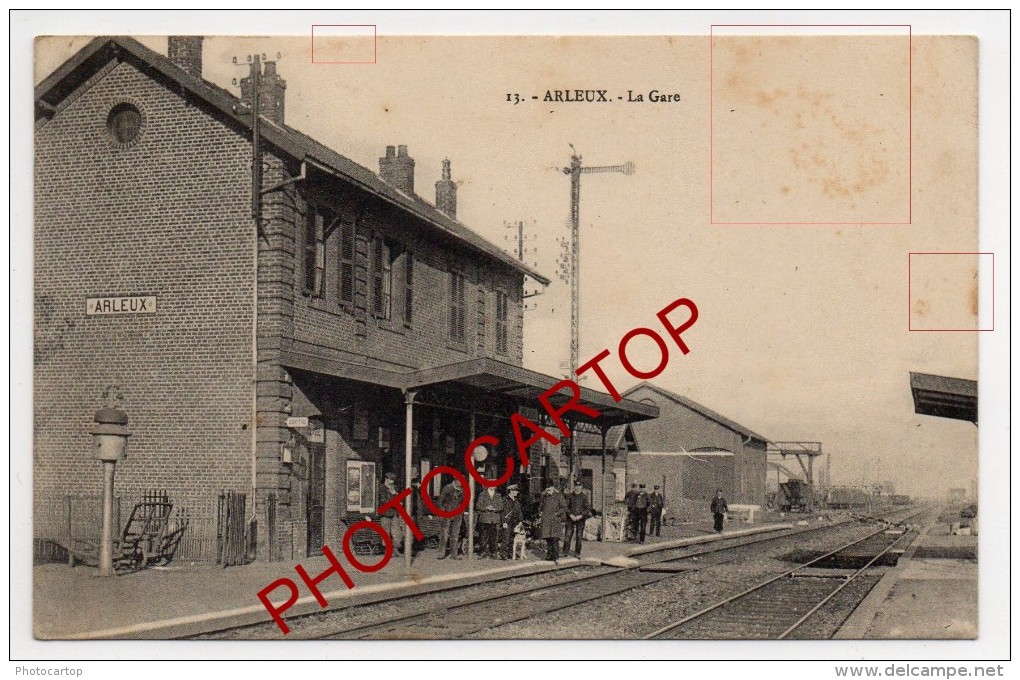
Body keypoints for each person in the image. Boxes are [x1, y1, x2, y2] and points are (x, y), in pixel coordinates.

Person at [436, 477, 465, 560]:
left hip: (458, 515)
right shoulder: (447, 488)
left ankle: (454, 554)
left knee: (455, 535)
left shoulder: (462, 490)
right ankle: (441, 553)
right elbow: (440, 501)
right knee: (444, 534)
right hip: (447, 514)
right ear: (456, 481)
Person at [538, 482, 567, 562]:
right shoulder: (544, 497)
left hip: (555, 520)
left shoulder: (559, 496)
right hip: (546, 520)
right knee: (548, 538)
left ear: (553, 488)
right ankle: (549, 555)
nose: (548, 490)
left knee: (554, 538)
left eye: (550, 488)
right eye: (547, 489)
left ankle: (555, 555)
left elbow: (564, 507)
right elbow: (540, 506)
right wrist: (540, 512)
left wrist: (557, 513)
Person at [475, 484, 505, 559]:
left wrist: (494, 508)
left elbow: (501, 506)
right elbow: (478, 505)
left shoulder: (498, 495)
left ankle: (493, 553)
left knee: (494, 538)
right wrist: (486, 508)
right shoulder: (482, 494)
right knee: (483, 537)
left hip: (494, 520)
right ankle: (482, 552)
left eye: (494, 485)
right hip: (485, 519)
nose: (493, 486)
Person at [563, 480, 591, 557]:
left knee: (579, 536)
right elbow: (566, 507)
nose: (578, 488)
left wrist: (581, 515)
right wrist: (570, 515)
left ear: (581, 487)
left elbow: (587, 509)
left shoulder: (584, 497)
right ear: (574, 487)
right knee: (567, 535)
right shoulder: (570, 496)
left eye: (579, 486)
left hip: (580, 519)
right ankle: (565, 551)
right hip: (570, 518)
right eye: (576, 486)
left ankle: (577, 552)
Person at [378, 472, 405, 553]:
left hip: (394, 513)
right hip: (385, 513)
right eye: (390, 481)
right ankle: (388, 551)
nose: (392, 483)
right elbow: (383, 500)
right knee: (386, 533)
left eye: (393, 481)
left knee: (397, 533)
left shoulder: (395, 488)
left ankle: (395, 550)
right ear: (386, 479)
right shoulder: (381, 488)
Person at [499, 484, 524, 560]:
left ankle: (510, 553)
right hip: (507, 522)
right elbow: (502, 512)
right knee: (506, 538)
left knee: (512, 539)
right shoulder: (504, 500)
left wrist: (520, 521)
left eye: (517, 491)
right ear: (511, 491)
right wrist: (503, 522)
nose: (517, 492)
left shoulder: (516, 501)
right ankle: (504, 553)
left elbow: (519, 512)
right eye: (515, 491)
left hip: (515, 523)